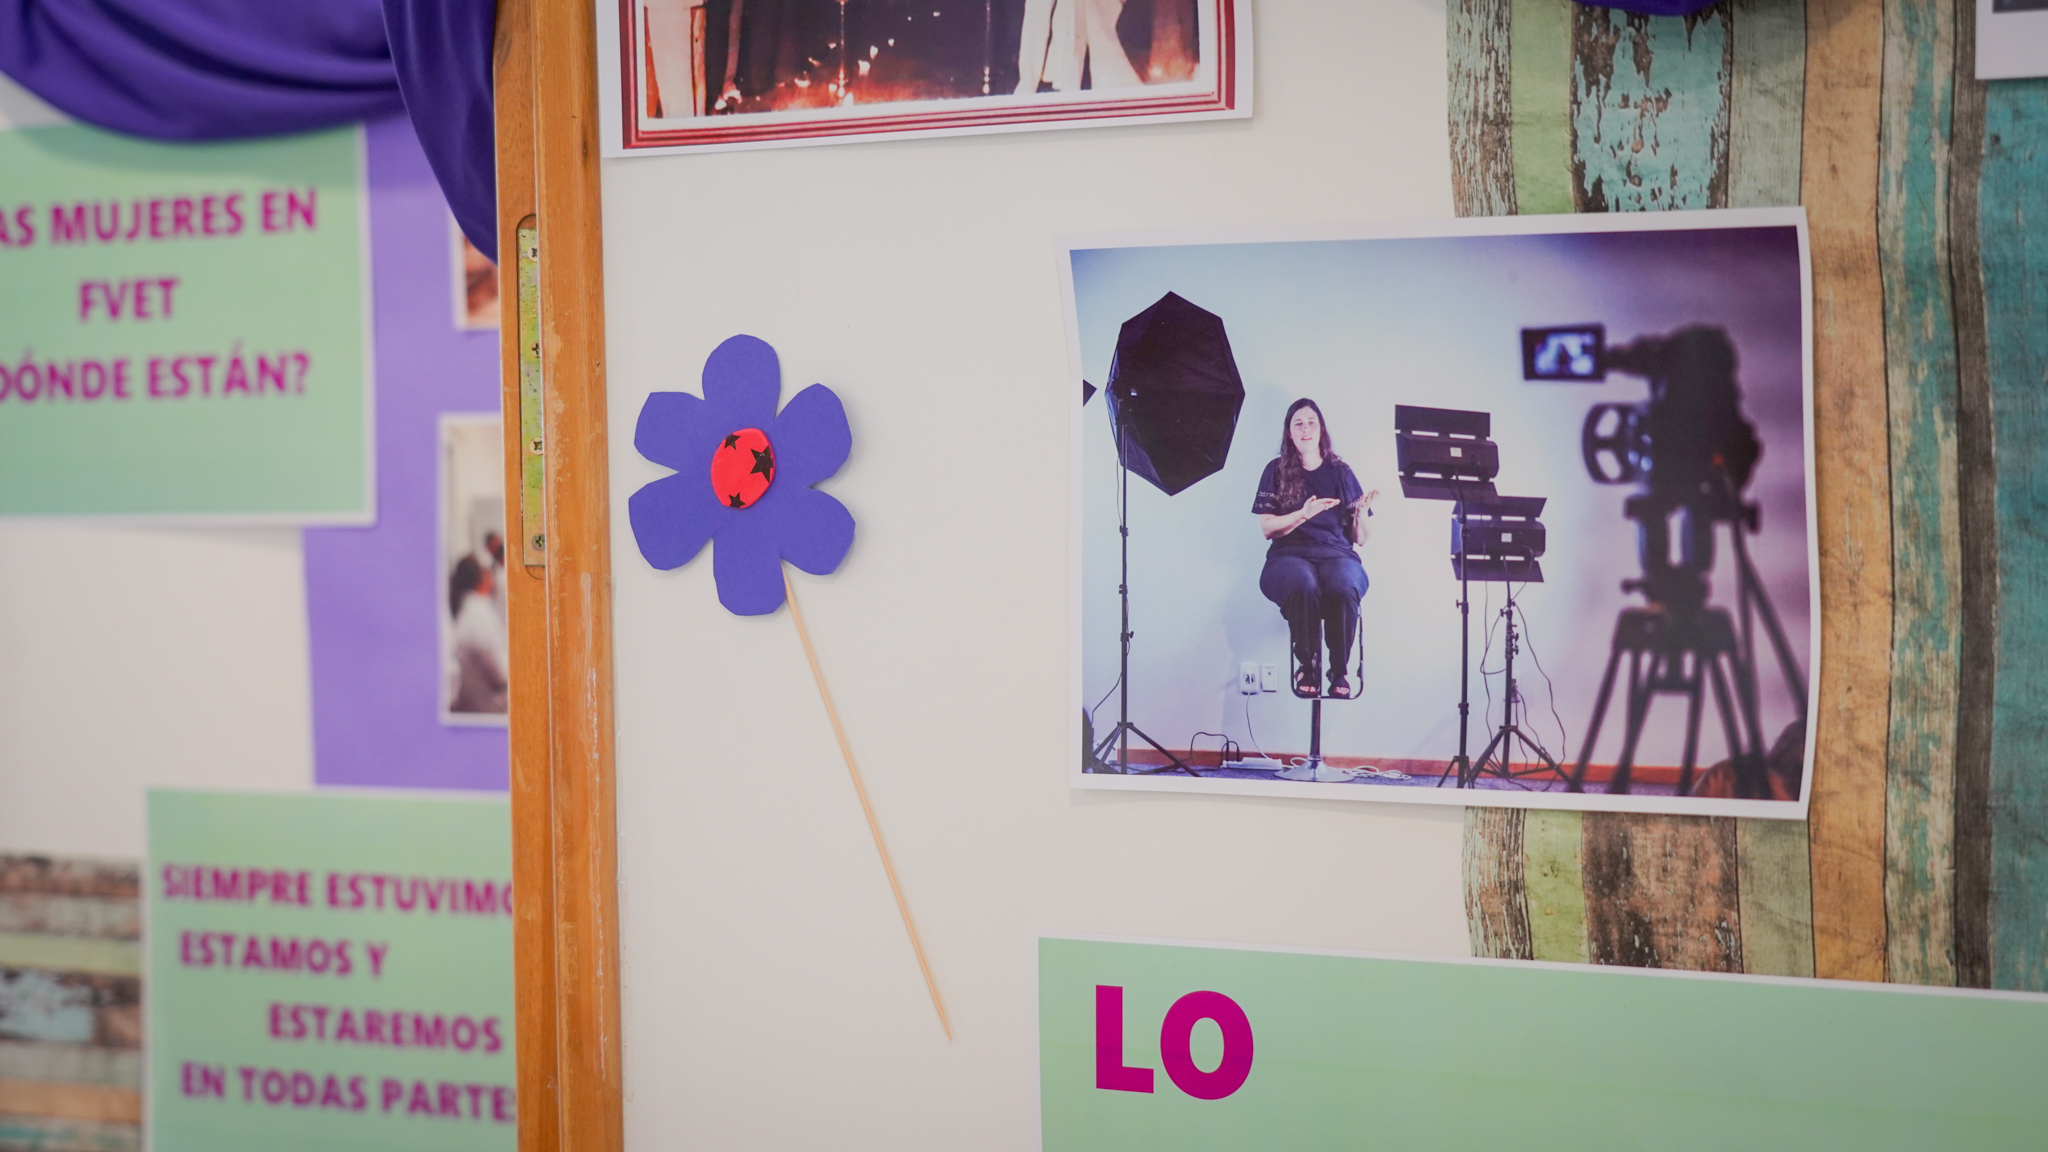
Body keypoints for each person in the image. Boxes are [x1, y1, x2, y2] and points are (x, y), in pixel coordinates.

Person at [1252, 399, 1379, 699]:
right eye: (1298, 423)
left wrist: (1361, 514)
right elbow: (1268, 528)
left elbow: (1361, 538)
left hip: (1337, 554)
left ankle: (1338, 670)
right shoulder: (1275, 471)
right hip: (1288, 555)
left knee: (1344, 584)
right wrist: (1303, 514)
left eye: (1311, 422)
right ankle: (1307, 666)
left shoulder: (1341, 473)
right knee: (1303, 583)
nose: (1305, 429)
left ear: (1321, 430)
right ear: (1289, 432)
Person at [447, 554, 508, 714]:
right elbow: (502, 672)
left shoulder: (470, 608)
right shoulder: (479, 614)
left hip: (480, 701)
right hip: (491, 706)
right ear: (484, 578)